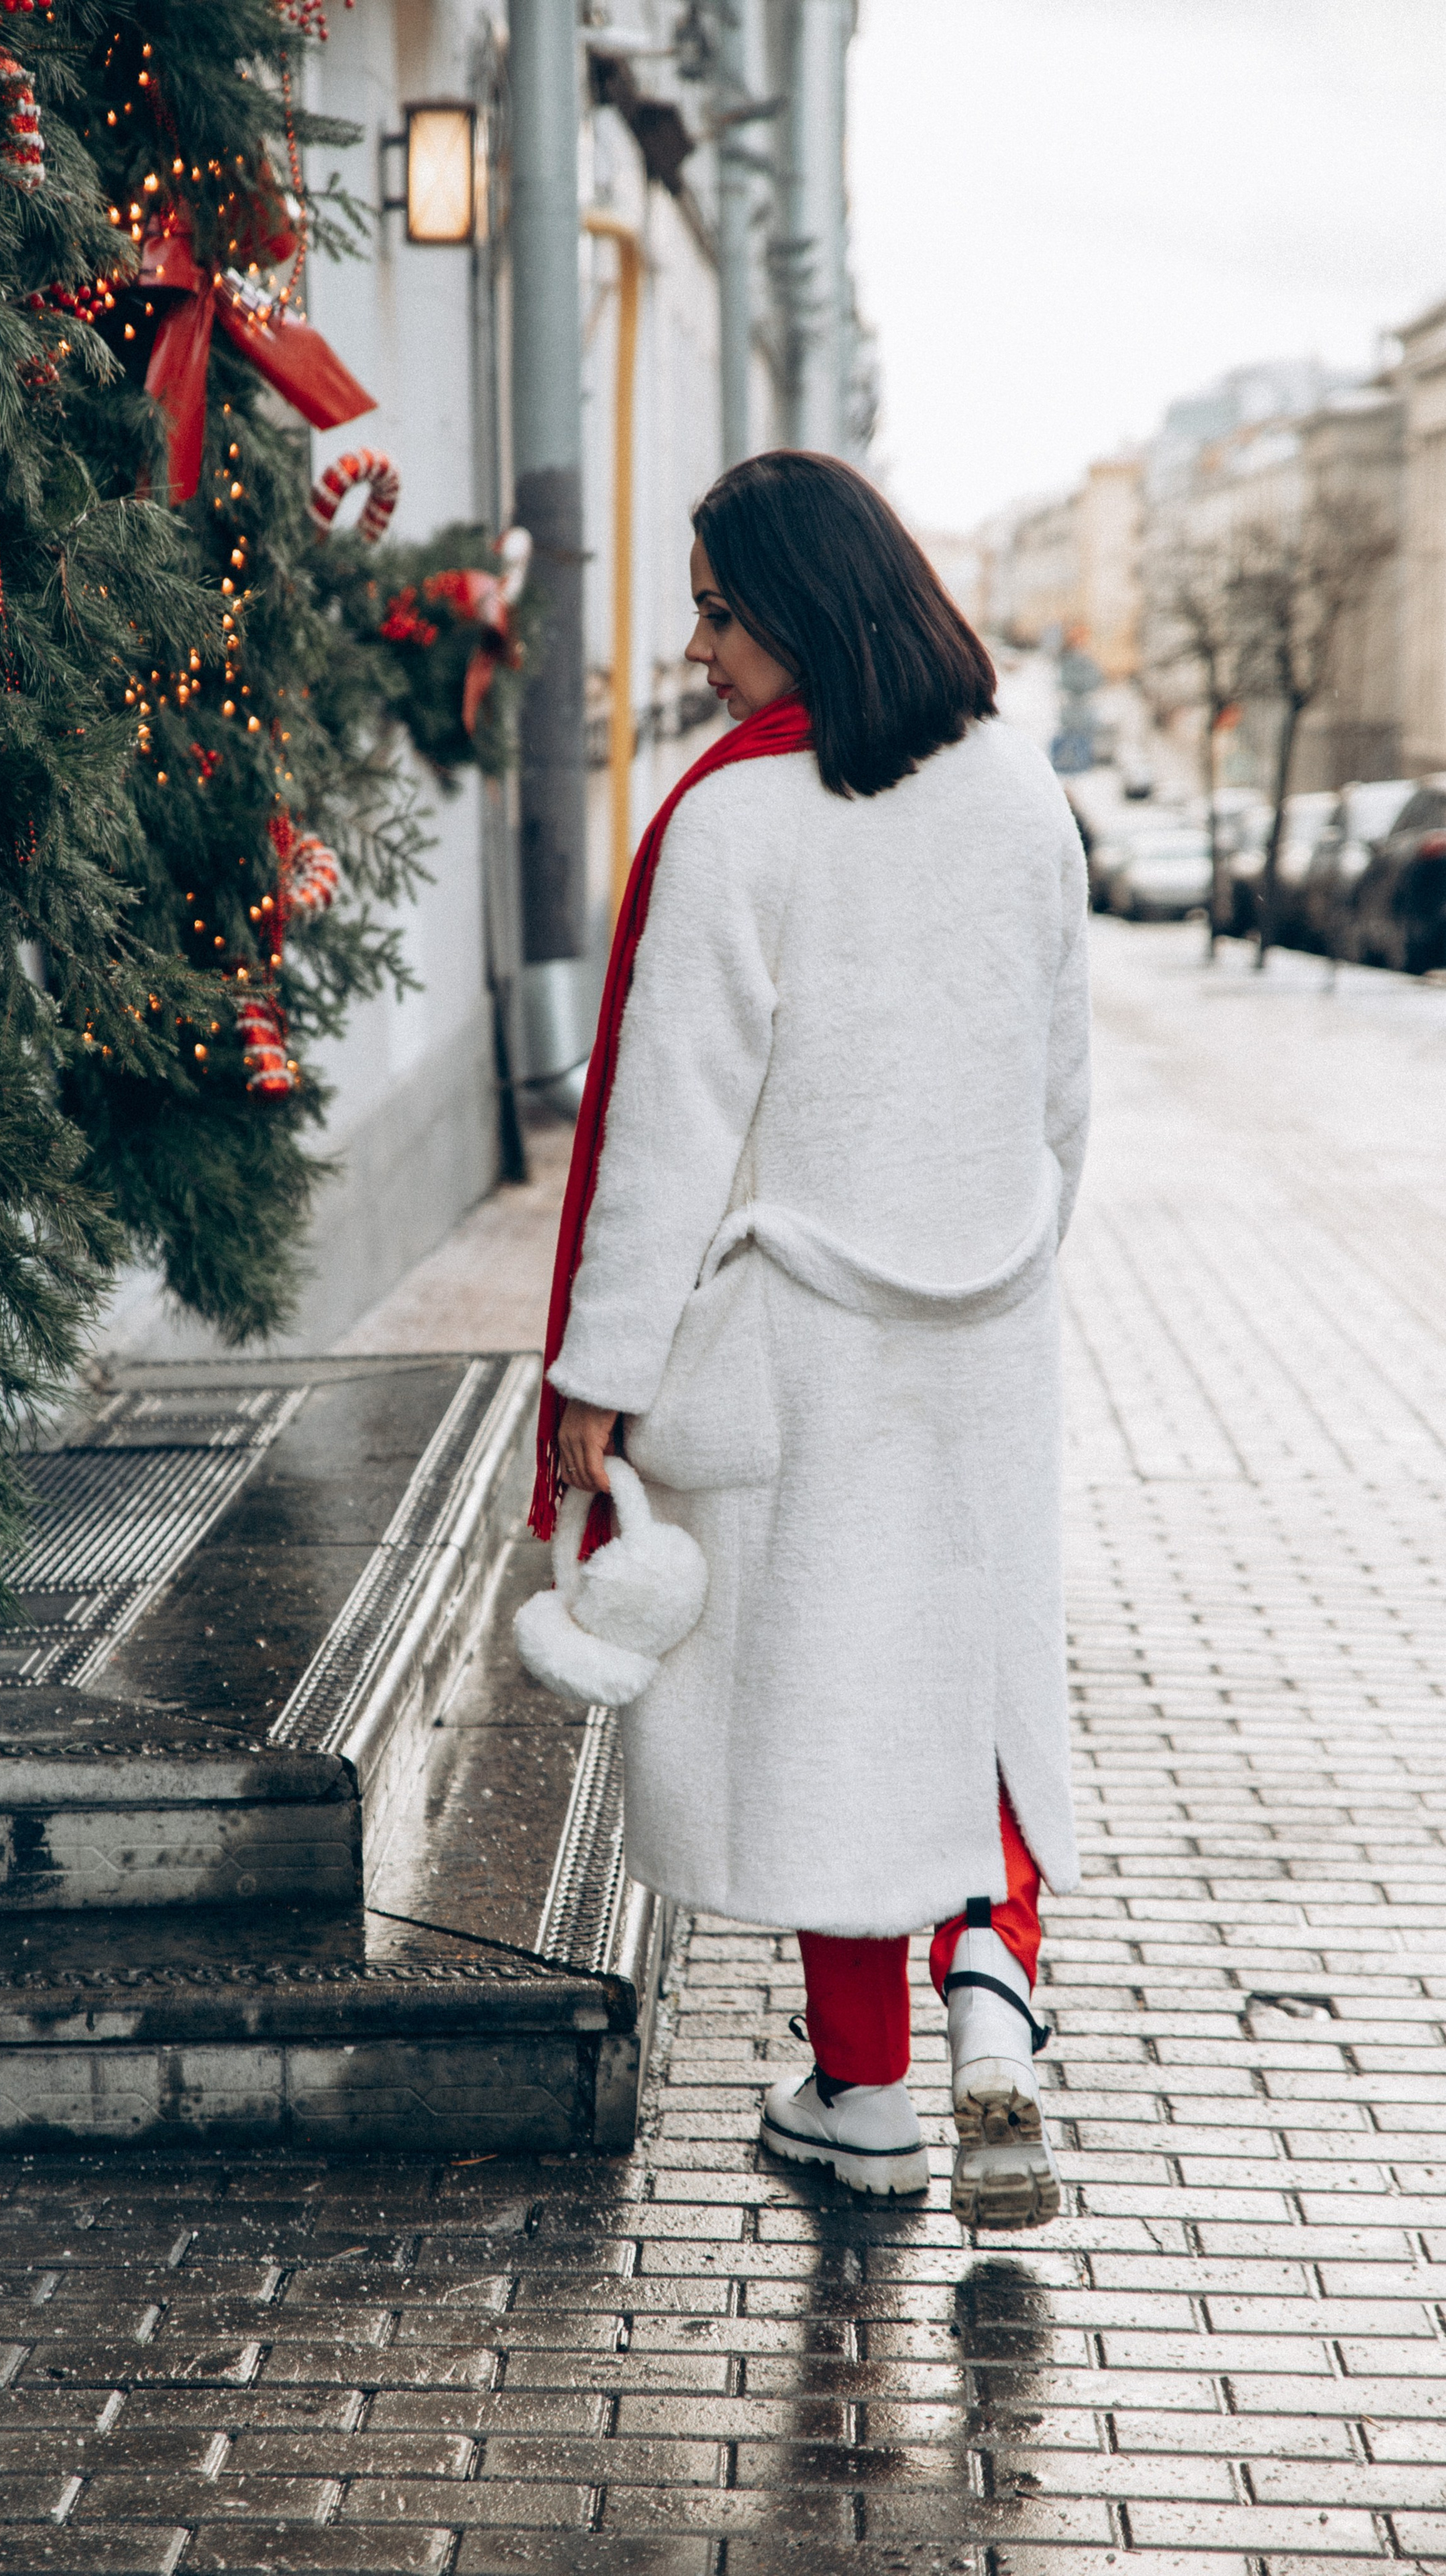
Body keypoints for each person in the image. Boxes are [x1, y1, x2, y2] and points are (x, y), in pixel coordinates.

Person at [533, 449, 1089, 2229]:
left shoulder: (733, 823)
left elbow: (660, 1134)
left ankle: (863, 2097)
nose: (696, 654)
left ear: (805, 604)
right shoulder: (1021, 795)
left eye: (716, 610)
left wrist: (595, 1385)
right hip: (986, 1323)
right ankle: (994, 1995)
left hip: (801, 1336)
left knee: (834, 1697)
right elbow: (1062, 1097)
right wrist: (1000, 1259)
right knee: (977, 1662)